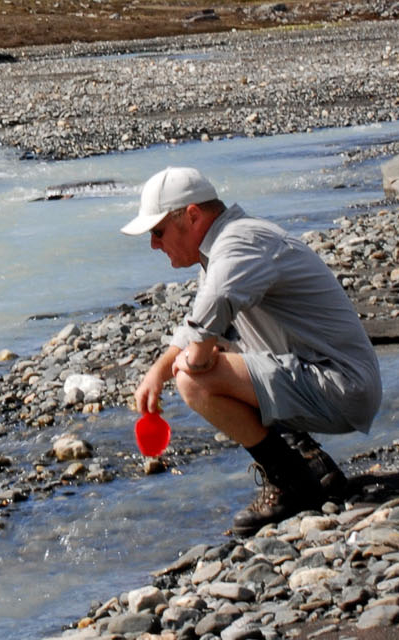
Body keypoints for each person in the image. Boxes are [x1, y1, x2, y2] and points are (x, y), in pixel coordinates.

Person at [123, 164, 381, 534]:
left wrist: (190, 365)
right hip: (328, 377)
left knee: (193, 381)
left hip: (341, 385)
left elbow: (204, 333)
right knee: (205, 356)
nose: (154, 244)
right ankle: (314, 465)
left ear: (192, 215)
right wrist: (155, 372)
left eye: (158, 231)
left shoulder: (237, 244)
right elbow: (199, 323)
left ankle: (290, 482)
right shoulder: (224, 247)